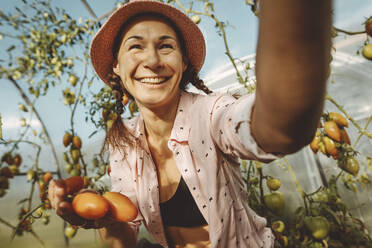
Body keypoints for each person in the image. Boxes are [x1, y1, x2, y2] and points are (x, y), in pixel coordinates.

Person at [48, 0, 332, 247]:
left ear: (183, 63)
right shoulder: (124, 142)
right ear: (116, 67)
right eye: (136, 46)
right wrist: (102, 217)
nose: (152, 60)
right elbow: (125, 232)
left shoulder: (210, 114)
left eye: (166, 46)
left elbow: (279, 129)